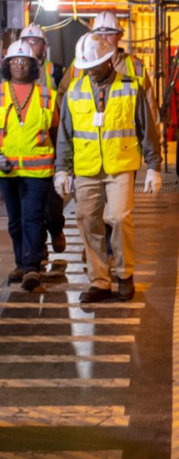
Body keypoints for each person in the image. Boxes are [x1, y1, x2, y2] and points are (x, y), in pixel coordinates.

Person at [54, 32, 161, 304]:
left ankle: (125, 275)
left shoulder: (130, 87)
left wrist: (154, 167)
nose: (90, 71)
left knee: (118, 218)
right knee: (88, 222)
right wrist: (61, 169)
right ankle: (99, 281)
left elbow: (146, 130)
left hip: (120, 166)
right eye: (86, 67)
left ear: (110, 61)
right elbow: (65, 134)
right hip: (86, 167)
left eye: (95, 65)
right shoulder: (75, 91)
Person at [0, 39, 59, 290]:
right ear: (6, 66)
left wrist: (61, 164)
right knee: (15, 219)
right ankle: (21, 262)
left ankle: (32, 267)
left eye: (24, 61)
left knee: (32, 218)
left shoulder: (47, 95)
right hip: (6, 170)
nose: (19, 66)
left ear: (33, 66)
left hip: (38, 170)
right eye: (14, 61)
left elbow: (55, 131)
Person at [57, 10, 160, 128]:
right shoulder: (80, 65)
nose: (104, 39)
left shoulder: (134, 66)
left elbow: (150, 106)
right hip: (89, 138)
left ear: (120, 35)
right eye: (99, 35)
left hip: (123, 139)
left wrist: (154, 139)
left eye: (110, 34)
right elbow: (62, 95)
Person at [21, 22, 66, 253]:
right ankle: (38, 246)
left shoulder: (54, 72)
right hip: (26, 141)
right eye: (26, 41)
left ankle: (56, 228)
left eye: (35, 41)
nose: (31, 45)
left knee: (53, 197)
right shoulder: (13, 70)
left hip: (52, 135)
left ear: (43, 46)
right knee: (30, 203)